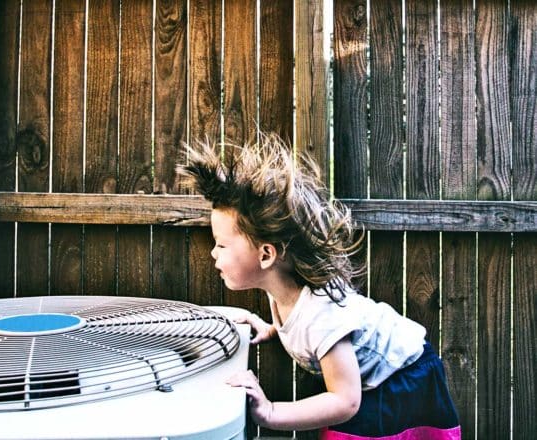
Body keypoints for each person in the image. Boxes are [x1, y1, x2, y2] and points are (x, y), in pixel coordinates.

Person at [177, 133, 461, 439]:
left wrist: (271, 412)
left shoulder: (322, 317)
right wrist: (270, 329)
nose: (212, 252)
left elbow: (345, 401)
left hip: (401, 380)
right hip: (370, 382)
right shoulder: (285, 291)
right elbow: (298, 324)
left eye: (221, 244)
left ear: (266, 255)